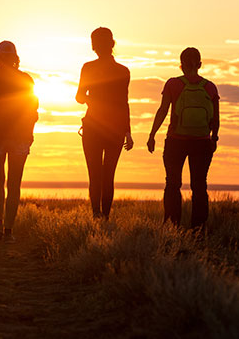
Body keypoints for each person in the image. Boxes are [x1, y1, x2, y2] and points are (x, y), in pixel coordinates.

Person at [147, 47, 220, 228]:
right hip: (202, 142)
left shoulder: (173, 84)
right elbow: (216, 118)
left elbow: (163, 110)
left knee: (172, 184)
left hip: (175, 141)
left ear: (181, 65)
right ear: (200, 64)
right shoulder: (210, 87)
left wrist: (152, 134)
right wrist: (214, 138)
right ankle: (199, 229)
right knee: (199, 186)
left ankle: (172, 227)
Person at [0, 41, 39, 243]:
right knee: (14, 184)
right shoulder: (26, 80)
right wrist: (29, 133)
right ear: (15, 57)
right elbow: (33, 112)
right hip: (20, 138)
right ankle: (8, 230)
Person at [75, 27, 133, 220]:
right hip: (115, 129)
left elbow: (79, 97)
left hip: (93, 127)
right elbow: (123, 103)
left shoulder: (88, 68)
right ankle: (105, 218)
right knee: (108, 176)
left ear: (94, 46)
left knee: (95, 175)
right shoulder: (123, 71)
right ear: (112, 44)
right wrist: (127, 132)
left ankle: (96, 216)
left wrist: (93, 100)